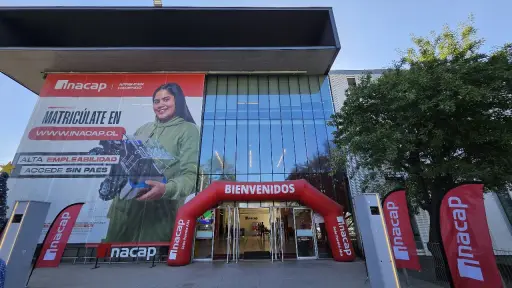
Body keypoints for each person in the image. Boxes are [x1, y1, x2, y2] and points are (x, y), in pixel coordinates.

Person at [104, 83, 200, 242]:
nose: (161, 104)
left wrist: (167, 189)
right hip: (122, 213)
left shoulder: (188, 130)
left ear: (178, 101)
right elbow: (125, 161)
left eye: (166, 99)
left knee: (150, 264)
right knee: (109, 262)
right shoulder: (144, 128)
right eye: (156, 101)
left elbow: (192, 176)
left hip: (156, 218)